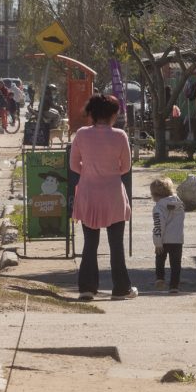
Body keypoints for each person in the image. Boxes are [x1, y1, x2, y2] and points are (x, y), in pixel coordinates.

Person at [69, 93, 136, 301]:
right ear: (112, 115)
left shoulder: (81, 134)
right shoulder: (120, 136)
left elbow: (74, 165)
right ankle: (121, 288)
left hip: (88, 193)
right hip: (113, 194)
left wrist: (89, 171)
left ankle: (87, 288)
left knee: (90, 243)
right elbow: (126, 167)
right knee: (116, 244)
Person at [150, 176, 185, 292]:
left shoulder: (158, 207)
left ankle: (160, 278)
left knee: (160, 258)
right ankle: (174, 286)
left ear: (155, 195)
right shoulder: (179, 204)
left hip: (164, 240)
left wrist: (157, 243)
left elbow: (159, 225)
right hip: (177, 239)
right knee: (176, 264)